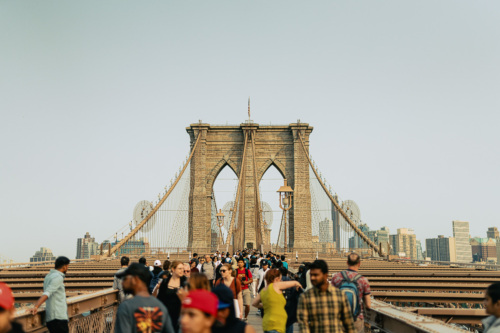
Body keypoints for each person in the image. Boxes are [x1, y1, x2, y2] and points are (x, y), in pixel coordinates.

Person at [297, 260, 355, 333]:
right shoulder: (305, 298)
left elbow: (348, 323)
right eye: (311, 275)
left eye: (316, 275)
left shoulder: (340, 296)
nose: (312, 278)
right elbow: (303, 325)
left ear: (325, 275)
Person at [115, 263, 174, 333]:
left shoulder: (125, 307)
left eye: (125, 278)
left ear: (135, 280)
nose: (122, 283)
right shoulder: (161, 307)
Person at [252, 268, 302, 333]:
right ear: (276, 279)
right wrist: (298, 285)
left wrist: (264, 305)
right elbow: (295, 283)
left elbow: (254, 303)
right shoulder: (276, 285)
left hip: (267, 324)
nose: (281, 280)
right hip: (276, 325)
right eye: (280, 279)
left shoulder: (263, 290)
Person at [331, 253, 371, 333]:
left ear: (347, 262)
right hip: (356, 319)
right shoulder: (363, 280)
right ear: (359, 263)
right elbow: (368, 305)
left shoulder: (336, 277)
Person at [31, 256, 70, 333]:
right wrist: (36, 306)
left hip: (51, 317)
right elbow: (47, 293)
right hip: (58, 318)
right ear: (65, 266)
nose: (68, 268)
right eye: (68, 266)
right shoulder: (58, 277)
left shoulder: (48, 276)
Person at [157, 261, 188, 332]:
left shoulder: (185, 282)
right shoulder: (165, 282)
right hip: (167, 315)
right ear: (173, 269)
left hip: (180, 316)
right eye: (179, 268)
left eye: (183, 268)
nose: (182, 270)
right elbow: (160, 299)